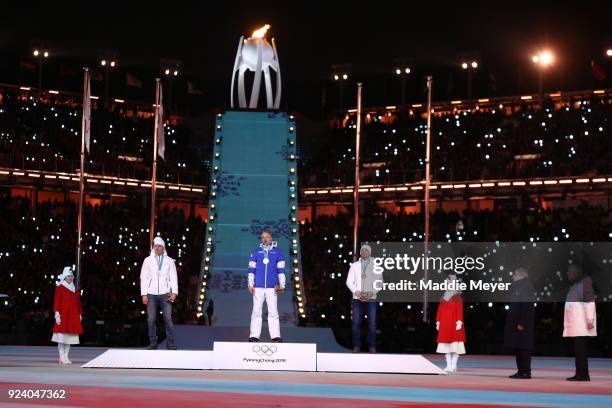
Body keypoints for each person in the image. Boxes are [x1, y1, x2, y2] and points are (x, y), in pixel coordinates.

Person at [140, 236, 178, 350]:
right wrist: (144, 294)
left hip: (165, 293)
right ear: (153, 247)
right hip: (151, 294)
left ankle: (170, 343)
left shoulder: (170, 261)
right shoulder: (147, 260)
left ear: (163, 248)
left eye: (159, 246)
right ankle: (153, 342)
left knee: (168, 319)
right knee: (151, 319)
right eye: (155, 246)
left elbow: (173, 278)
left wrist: (174, 293)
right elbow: (144, 277)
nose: (157, 248)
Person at [247, 229, 285, 342]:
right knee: (256, 311)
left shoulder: (278, 252)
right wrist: (250, 284)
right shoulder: (255, 251)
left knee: (273, 311)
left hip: (272, 287)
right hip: (258, 286)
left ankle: (275, 336)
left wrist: (282, 284)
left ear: (271, 238)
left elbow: (281, 270)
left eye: (267, 237)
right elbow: (251, 269)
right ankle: (254, 336)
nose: (265, 239)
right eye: (263, 237)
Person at [563, 263, 597, 381]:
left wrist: (589, 320)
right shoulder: (577, 284)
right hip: (577, 323)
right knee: (578, 350)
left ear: (576, 272)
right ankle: (580, 373)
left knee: (580, 350)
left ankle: (583, 374)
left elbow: (589, 301)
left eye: (569, 271)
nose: (567, 274)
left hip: (582, 323)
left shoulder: (584, 283)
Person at [346, 244, 381, 353]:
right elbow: (348, 281)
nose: (364, 251)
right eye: (362, 250)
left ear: (370, 252)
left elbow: (379, 282)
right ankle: (356, 346)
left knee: (372, 324)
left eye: (366, 250)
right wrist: (356, 292)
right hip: (357, 298)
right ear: (360, 252)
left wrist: (372, 292)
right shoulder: (354, 265)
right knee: (356, 323)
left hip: (371, 298)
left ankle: (372, 346)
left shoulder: (376, 265)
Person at [504, 267, 535, 379]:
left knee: (524, 348)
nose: (513, 276)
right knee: (518, 348)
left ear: (522, 275)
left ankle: (526, 371)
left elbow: (527, 306)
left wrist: (522, 322)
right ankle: (521, 371)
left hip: (523, 324)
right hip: (517, 323)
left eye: (515, 274)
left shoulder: (526, 287)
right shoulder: (519, 287)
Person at [52, 267, 83, 365]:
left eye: (71, 276)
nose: (70, 278)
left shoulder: (74, 289)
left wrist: (79, 314)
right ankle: (61, 357)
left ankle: (66, 356)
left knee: (68, 337)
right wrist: (57, 314)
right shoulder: (59, 288)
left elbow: (78, 303)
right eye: (68, 276)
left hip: (72, 316)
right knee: (61, 337)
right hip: (63, 315)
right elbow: (57, 302)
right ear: (64, 277)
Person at [435, 273, 465, 372]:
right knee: (446, 346)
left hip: (454, 323)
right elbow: (440, 309)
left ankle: (454, 365)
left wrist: (459, 321)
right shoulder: (444, 296)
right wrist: (438, 321)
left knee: (455, 345)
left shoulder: (457, 297)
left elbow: (459, 310)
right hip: (445, 324)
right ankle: (448, 365)